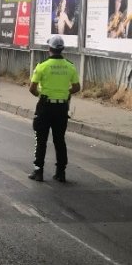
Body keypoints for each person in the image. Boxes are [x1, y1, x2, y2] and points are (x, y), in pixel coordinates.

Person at [28, 35, 81, 182]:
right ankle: (61, 172)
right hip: (61, 108)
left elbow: (32, 88)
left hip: (45, 107)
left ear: (49, 48)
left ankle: (38, 171)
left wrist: (41, 95)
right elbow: (77, 87)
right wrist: (65, 93)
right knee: (59, 140)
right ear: (62, 49)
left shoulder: (42, 66)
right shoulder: (70, 66)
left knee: (41, 140)